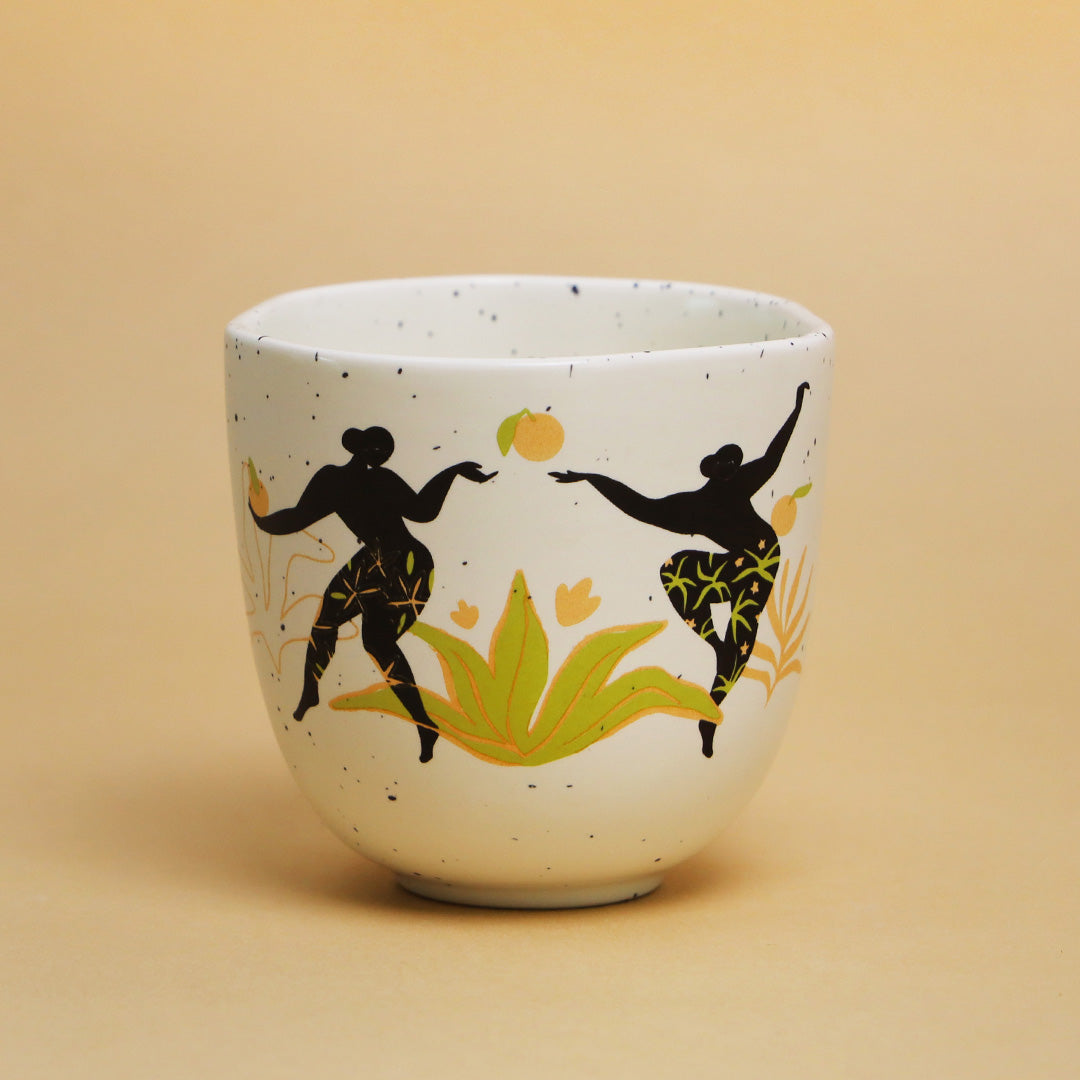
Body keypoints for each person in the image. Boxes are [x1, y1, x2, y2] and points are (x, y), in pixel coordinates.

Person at [551, 382, 809, 757]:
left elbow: (774, 456)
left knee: (744, 628)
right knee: (676, 570)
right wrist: (594, 479)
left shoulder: (739, 484)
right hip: (734, 564)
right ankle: (715, 643)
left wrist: (797, 408)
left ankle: (712, 708)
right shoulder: (694, 506)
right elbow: (641, 507)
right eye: (723, 466)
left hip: (762, 558)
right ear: (712, 470)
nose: (729, 471)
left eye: (732, 465)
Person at [250, 426, 496, 762]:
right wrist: (260, 520)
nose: (378, 456)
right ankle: (310, 689)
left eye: (383, 451)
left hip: (407, 564)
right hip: (374, 560)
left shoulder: (379, 479)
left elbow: (423, 511)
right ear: (359, 446)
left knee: (377, 643)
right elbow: (298, 517)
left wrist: (452, 471)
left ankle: (423, 723)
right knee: (327, 618)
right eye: (376, 448)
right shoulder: (333, 479)